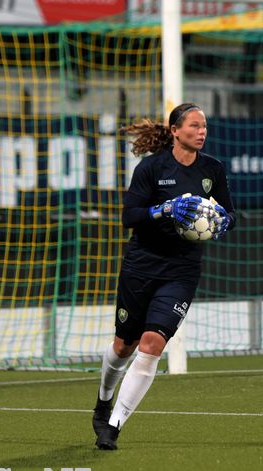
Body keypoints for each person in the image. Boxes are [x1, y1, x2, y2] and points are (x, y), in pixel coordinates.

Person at [92, 103, 236, 450]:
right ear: (175, 130)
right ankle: (104, 399)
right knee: (124, 345)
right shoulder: (151, 168)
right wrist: (165, 209)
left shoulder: (212, 169)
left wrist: (223, 221)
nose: (202, 132)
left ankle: (113, 425)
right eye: (194, 126)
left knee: (152, 343)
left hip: (182, 269)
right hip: (142, 264)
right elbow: (130, 216)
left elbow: (230, 211)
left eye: (204, 127)